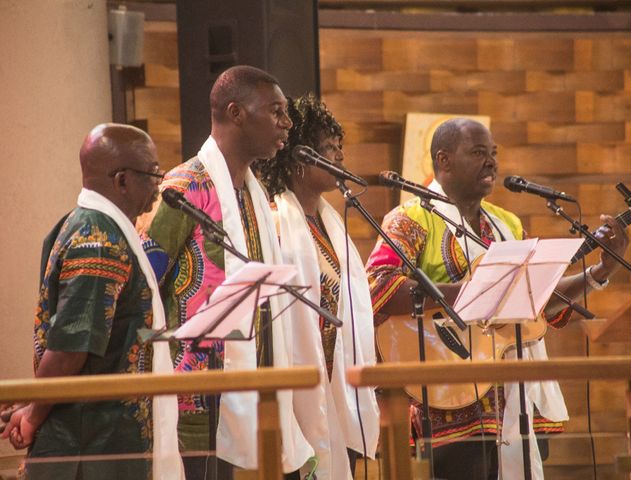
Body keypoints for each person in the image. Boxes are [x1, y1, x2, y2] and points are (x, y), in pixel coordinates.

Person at [365, 117, 629, 479]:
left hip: (514, 400)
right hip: (445, 401)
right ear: (443, 161)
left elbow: (537, 302)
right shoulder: (409, 219)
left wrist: (601, 270)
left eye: (493, 153)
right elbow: (377, 287)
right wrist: (473, 294)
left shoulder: (508, 225)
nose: (491, 162)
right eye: (478, 153)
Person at [140, 66, 313, 479]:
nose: (286, 123)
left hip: (258, 396)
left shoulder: (254, 194)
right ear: (236, 113)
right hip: (197, 406)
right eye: (275, 111)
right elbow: (143, 284)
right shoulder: (186, 187)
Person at [0, 123, 183, 479]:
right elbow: (71, 347)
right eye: (152, 174)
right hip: (95, 447)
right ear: (122, 181)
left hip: (99, 438)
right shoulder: (99, 241)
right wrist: (34, 415)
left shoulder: (85, 224)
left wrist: (31, 405)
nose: (158, 186)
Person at [253, 93, 380, 479]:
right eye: (329, 149)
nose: (340, 158)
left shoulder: (332, 224)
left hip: (340, 390)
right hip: (297, 393)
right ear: (299, 159)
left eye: (340, 148)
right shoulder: (276, 223)